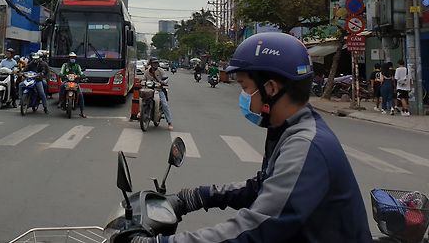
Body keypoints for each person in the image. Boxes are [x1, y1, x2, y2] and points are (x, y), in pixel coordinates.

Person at [133, 32, 371, 243]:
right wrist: (196, 197)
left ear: (271, 88)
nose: (243, 97)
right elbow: (263, 186)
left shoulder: (305, 146)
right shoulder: (287, 130)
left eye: (245, 87)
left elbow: (258, 227)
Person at [146, 56, 173, 130]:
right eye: (154, 63)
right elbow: (143, 79)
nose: (155, 64)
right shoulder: (147, 71)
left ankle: (169, 122)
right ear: (150, 64)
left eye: (156, 63)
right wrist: (142, 82)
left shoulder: (161, 70)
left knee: (164, 104)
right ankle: (140, 112)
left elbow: (166, 78)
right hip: (149, 90)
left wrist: (163, 82)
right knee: (142, 98)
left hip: (159, 90)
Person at [59, 52, 86, 118]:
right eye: (71, 58)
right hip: (66, 81)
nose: (72, 59)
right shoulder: (65, 65)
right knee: (62, 86)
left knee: (81, 95)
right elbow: (61, 73)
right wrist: (64, 75)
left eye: (74, 58)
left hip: (75, 82)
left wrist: (80, 76)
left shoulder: (77, 66)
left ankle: (82, 112)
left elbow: (81, 73)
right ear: (69, 58)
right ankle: (61, 102)